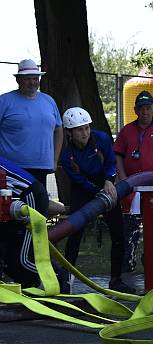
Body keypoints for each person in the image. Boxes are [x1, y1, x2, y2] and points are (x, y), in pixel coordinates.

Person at [59, 107, 134, 294]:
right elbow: (79, 180)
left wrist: (108, 181)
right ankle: (66, 280)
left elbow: (110, 162)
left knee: (118, 232)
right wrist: (97, 192)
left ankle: (116, 279)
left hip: (105, 181)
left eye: (86, 128)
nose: (84, 133)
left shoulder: (101, 139)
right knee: (75, 233)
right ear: (69, 132)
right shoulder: (67, 156)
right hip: (82, 189)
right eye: (78, 129)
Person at [113, 90, 153, 272]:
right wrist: (123, 179)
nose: (145, 112)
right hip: (131, 190)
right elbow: (117, 155)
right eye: (141, 108)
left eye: (148, 108)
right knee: (130, 227)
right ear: (135, 110)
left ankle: (152, 262)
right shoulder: (126, 131)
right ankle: (128, 264)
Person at [0, 59, 63, 191]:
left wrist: (55, 160)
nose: (32, 82)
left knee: (39, 206)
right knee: (13, 207)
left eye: (35, 78)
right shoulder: (4, 101)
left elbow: (58, 130)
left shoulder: (49, 101)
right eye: (27, 79)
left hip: (42, 167)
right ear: (18, 80)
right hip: (12, 168)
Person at [0, 156, 51, 288]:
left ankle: (60, 276)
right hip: (20, 200)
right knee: (8, 260)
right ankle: (31, 286)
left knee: (22, 261)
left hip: (31, 197)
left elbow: (6, 193)